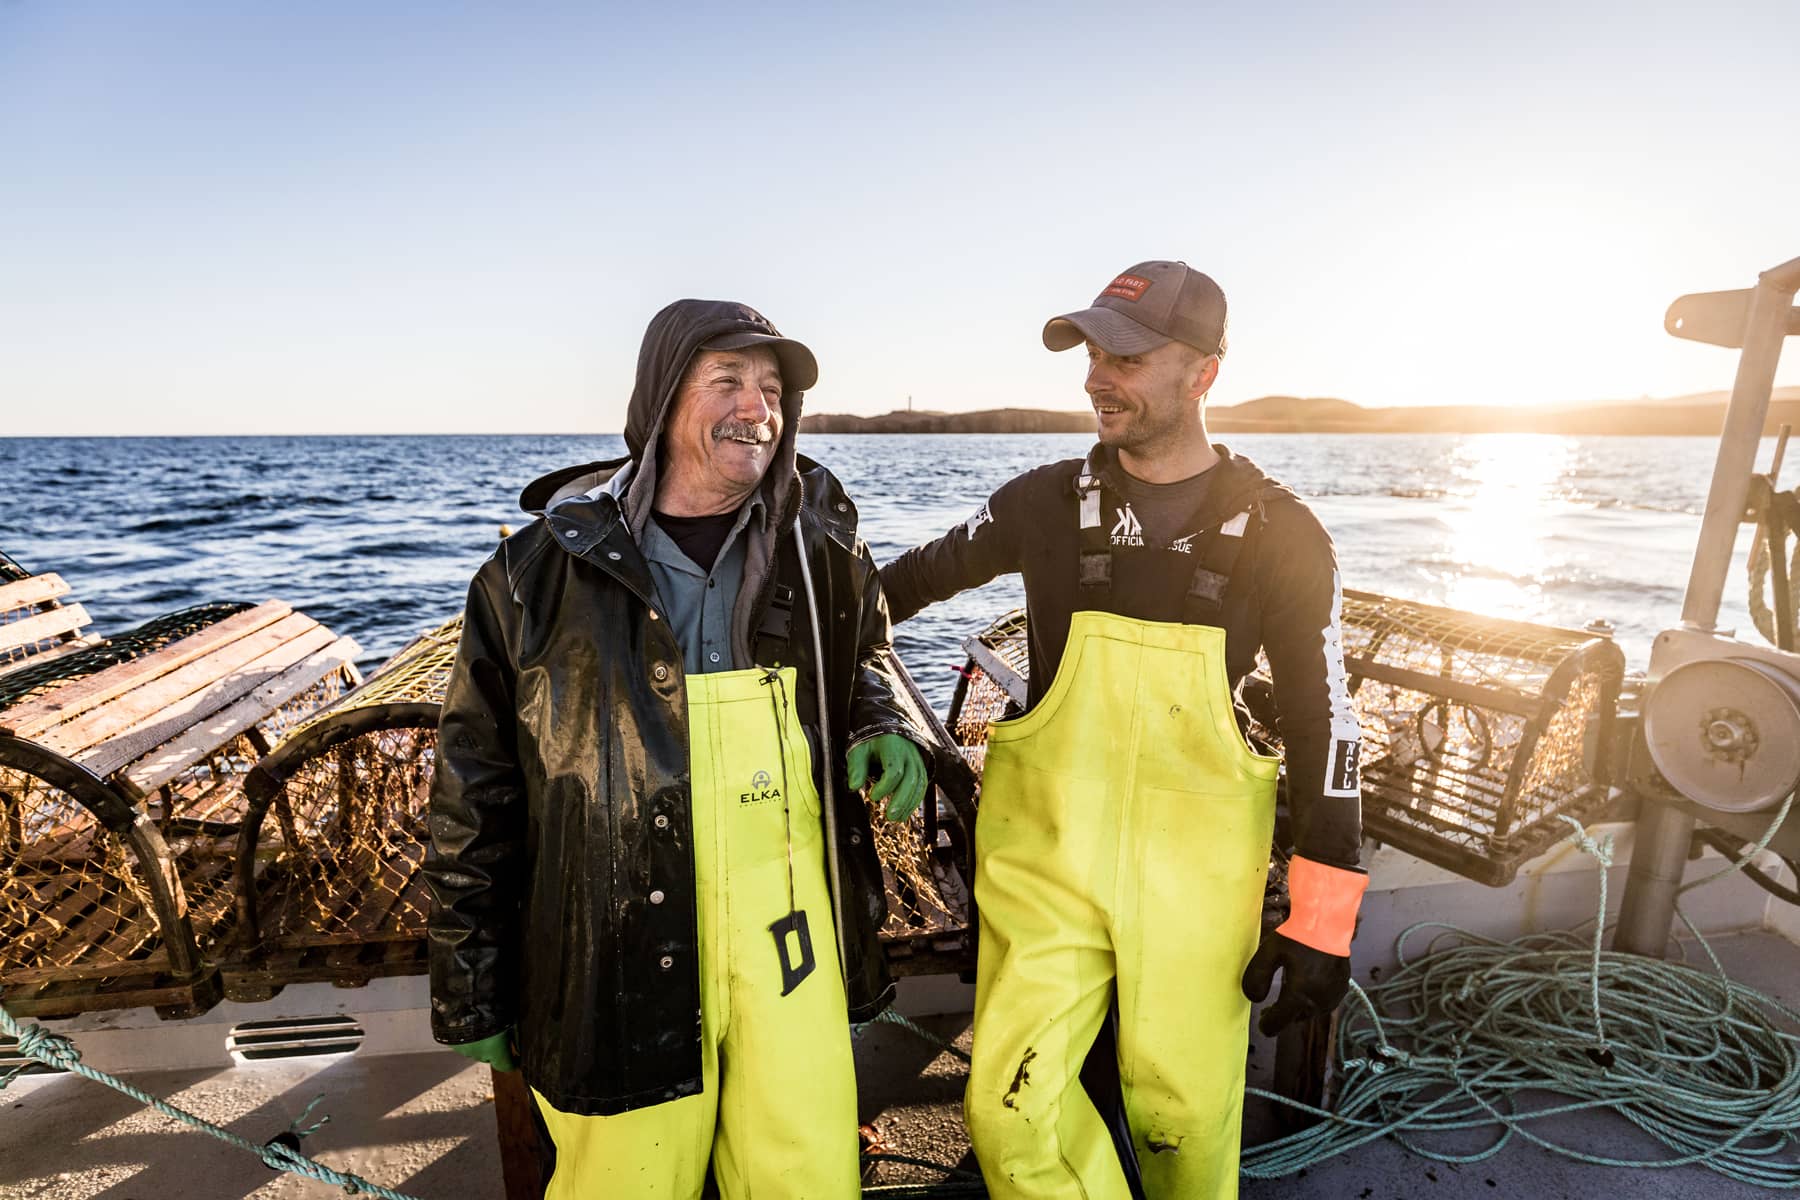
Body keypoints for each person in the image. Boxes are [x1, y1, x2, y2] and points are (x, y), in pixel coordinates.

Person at [425, 298, 934, 1199]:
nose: (758, 408)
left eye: (772, 389)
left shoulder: (820, 551)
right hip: (612, 937)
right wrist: (470, 984)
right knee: (623, 1179)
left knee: (806, 1171)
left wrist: (887, 720)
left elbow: (869, 651)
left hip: (791, 924)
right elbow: (473, 790)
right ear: (661, 399)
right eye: (728, 381)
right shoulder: (528, 576)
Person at [879, 261, 1366, 1198]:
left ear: (1204, 374)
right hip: (1045, 867)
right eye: (1095, 350)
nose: (1101, 374)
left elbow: (1325, 720)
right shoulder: (1041, 502)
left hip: (1198, 882)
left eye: (1131, 355)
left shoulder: (1286, 535)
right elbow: (886, 594)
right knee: (1008, 1114)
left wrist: (1322, 921)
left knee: (1182, 1120)